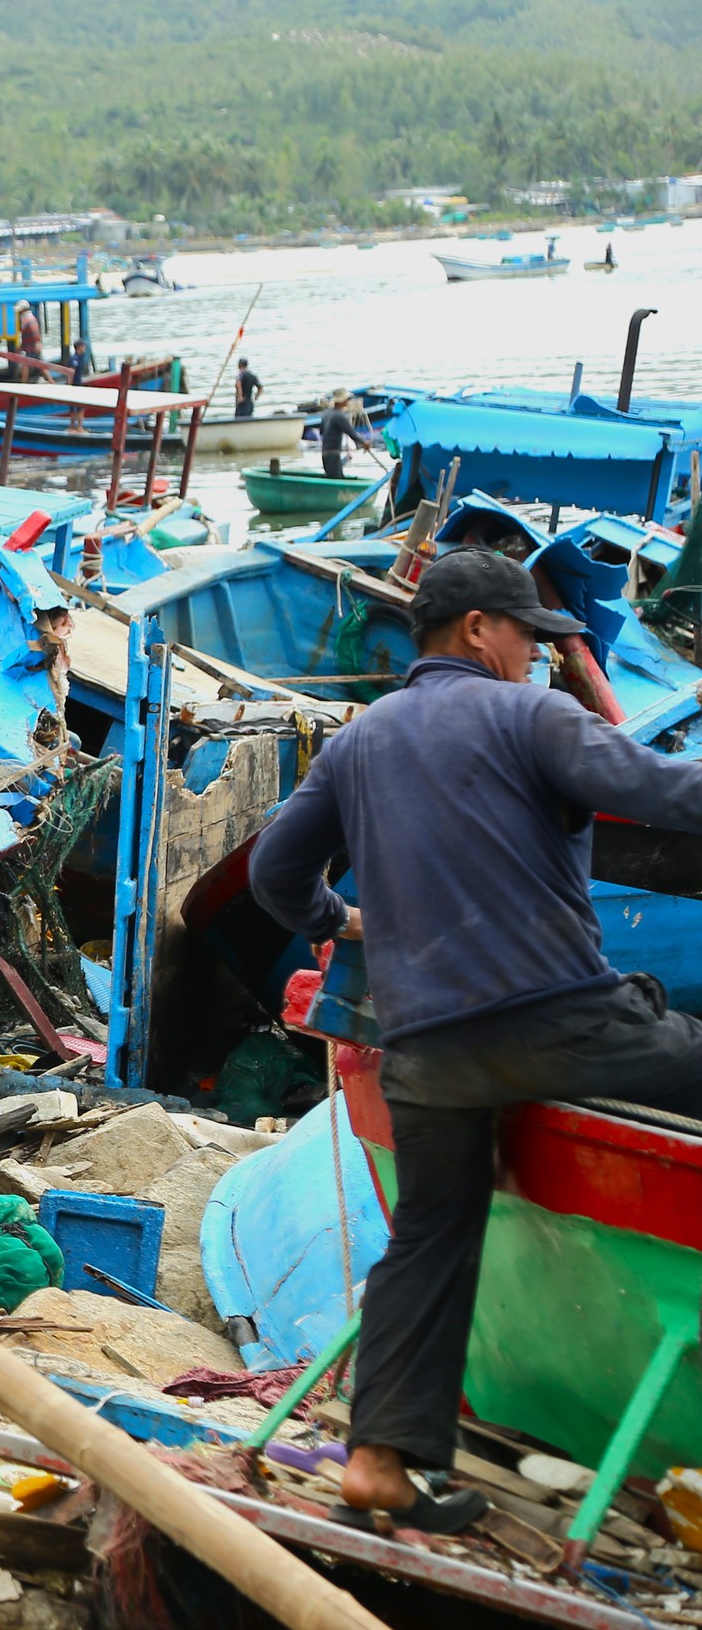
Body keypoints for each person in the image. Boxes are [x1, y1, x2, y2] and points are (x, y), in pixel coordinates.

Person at [250, 546, 702, 1535]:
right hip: (562, 1022)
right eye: (530, 640)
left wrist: (342, 919)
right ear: (476, 632)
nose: (539, 659)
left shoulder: (358, 742)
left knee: (427, 1237)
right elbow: (675, 797)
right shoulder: (533, 715)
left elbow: (275, 877)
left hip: (426, 1053)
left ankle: (377, 1464)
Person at [318, 394, 356, 477]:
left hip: (325, 454)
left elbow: (321, 432)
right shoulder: (339, 416)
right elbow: (351, 433)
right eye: (347, 399)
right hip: (333, 454)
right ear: (341, 401)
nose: (348, 402)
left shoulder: (326, 414)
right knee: (336, 478)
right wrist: (365, 443)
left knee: (332, 476)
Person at [14, 304, 44, 380]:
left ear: (22, 310)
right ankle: (52, 382)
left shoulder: (27, 319)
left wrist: (21, 347)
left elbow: (25, 334)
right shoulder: (32, 318)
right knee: (40, 365)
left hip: (31, 346)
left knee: (27, 365)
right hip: (32, 345)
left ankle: (23, 384)